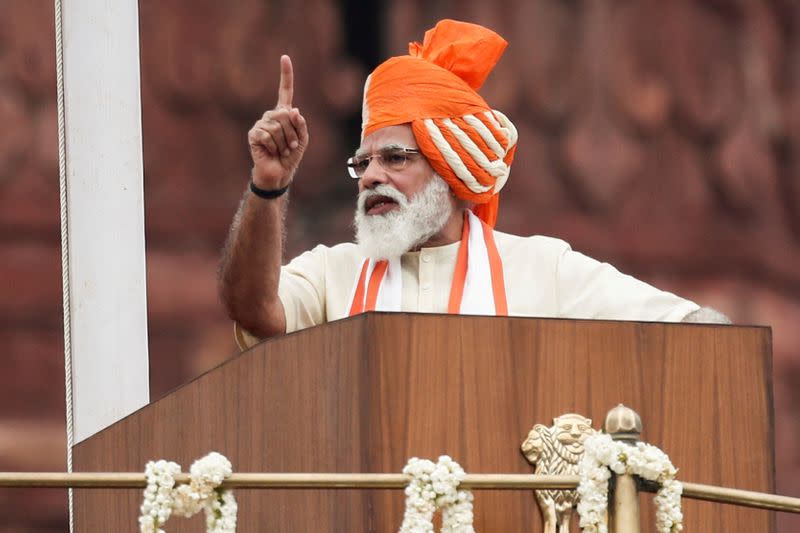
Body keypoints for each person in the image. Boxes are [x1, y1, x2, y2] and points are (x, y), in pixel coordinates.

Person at [218, 20, 728, 350]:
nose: (371, 175)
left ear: (450, 167)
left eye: (395, 157)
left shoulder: (540, 269)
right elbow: (254, 308)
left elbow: (687, 327)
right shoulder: (336, 272)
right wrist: (268, 185)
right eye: (362, 163)